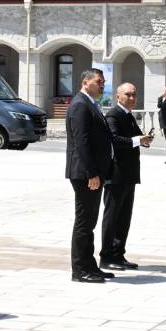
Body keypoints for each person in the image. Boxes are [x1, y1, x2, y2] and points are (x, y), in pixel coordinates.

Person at [64, 69, 114, 283]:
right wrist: (91, 173)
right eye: (98, 81)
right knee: (84, 222)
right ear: (85, 82)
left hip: (93, 172)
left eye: (103, 82)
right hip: (85, 174)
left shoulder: (91, 104)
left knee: (90, 222)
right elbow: (81, 142)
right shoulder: (80, 105)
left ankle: (89, 266)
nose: (102, 85)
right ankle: (79, 270)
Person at [100, 82, 152, 271]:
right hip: (116, 174)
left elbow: (135, 137)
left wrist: (144, 139)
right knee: (112, 216)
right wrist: (137, 140)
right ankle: (106, 256)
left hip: (129, 174)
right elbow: (114, 139)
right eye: (128, 94)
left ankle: (118, 253)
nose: (132, 98)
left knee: (124, 217)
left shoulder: (129, 115)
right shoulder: (113, 115)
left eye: (134, 94)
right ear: (118, 97)